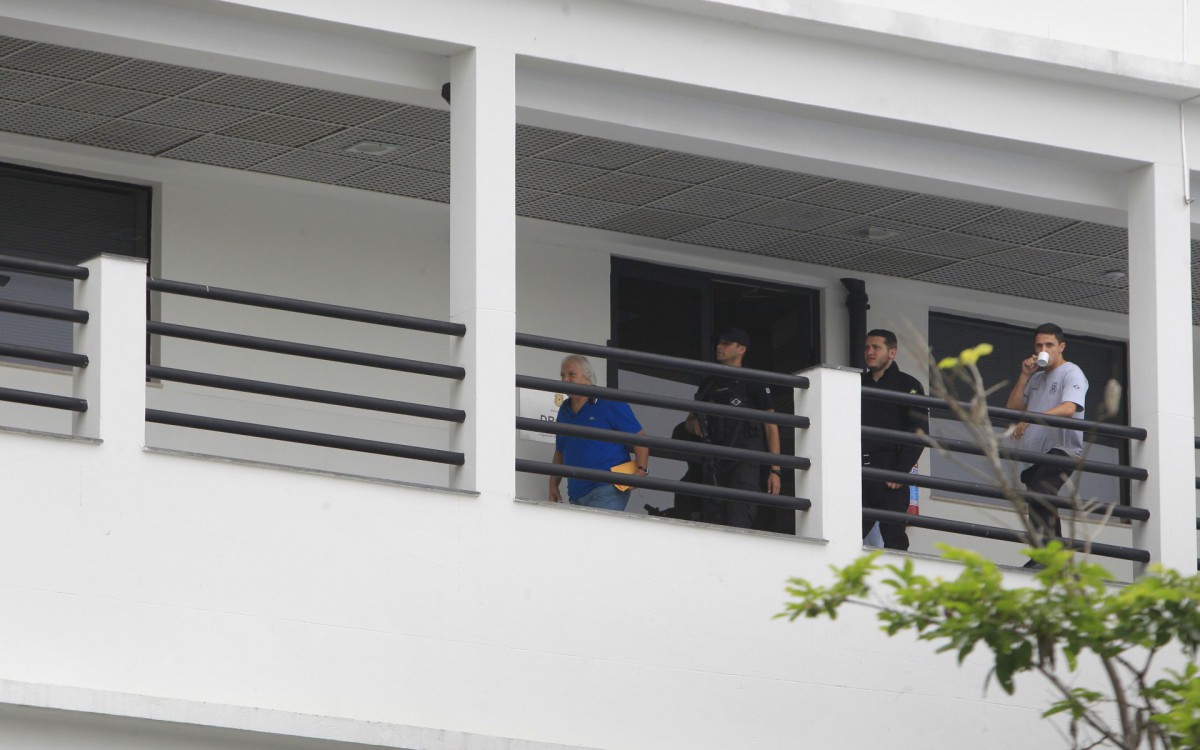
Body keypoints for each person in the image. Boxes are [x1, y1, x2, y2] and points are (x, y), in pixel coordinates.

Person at [1005, 323, 1088, 559]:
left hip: (1063, 449)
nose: (1044, 349)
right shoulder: (1037, 377)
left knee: (1042, 492)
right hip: (1034, 454)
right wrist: (1024, 375)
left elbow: (1070, 407)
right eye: (1039, 345)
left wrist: (1031, 418)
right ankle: (1045, 558)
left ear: (1061, 346)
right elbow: (1013, 408)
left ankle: (1054, 556)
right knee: (1038, 502)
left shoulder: (1072, 372)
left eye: (1049, 345)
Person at [684, 327, 781, 528]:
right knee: (712, 524)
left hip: (745, 461)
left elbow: (771, 426)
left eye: (726, 343)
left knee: (739, 520)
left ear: (741, 349)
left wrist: (776, 471)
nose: (719, 347)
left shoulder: (754, 380)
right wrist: (694, 423)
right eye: (719, 343)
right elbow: (689, 419)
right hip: (714, 461)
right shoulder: (709, 382)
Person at [548, 354, 649, 511]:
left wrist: (641, 470)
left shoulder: (608, 401)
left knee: (598, 534)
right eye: (563, 375)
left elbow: (639, 436)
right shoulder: (564, 409)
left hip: (607, 488)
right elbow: (560, 450)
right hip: (576, 493)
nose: (565, 379)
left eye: (571, 374)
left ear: (587, 379)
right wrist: (553, 485)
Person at [860, 329, 928, 551]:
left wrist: (900, 470)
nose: (870, 352)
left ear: (892, 353)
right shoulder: (855, 383)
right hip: (857, 469)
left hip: (890, 469)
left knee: (894, 536)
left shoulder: (908, 385)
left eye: (876, 348)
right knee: (847, 533)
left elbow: (919, 432)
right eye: (867, 347)